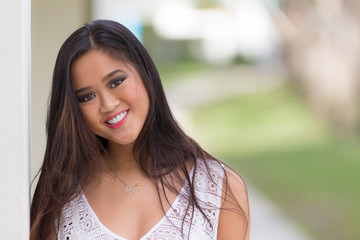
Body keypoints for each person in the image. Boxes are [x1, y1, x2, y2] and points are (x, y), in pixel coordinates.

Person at [30, 19, 250, 240]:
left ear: (145, 73)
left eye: (115, 82)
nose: (107, 105)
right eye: (87, 97)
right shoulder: (60, 198)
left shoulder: (218, 187)